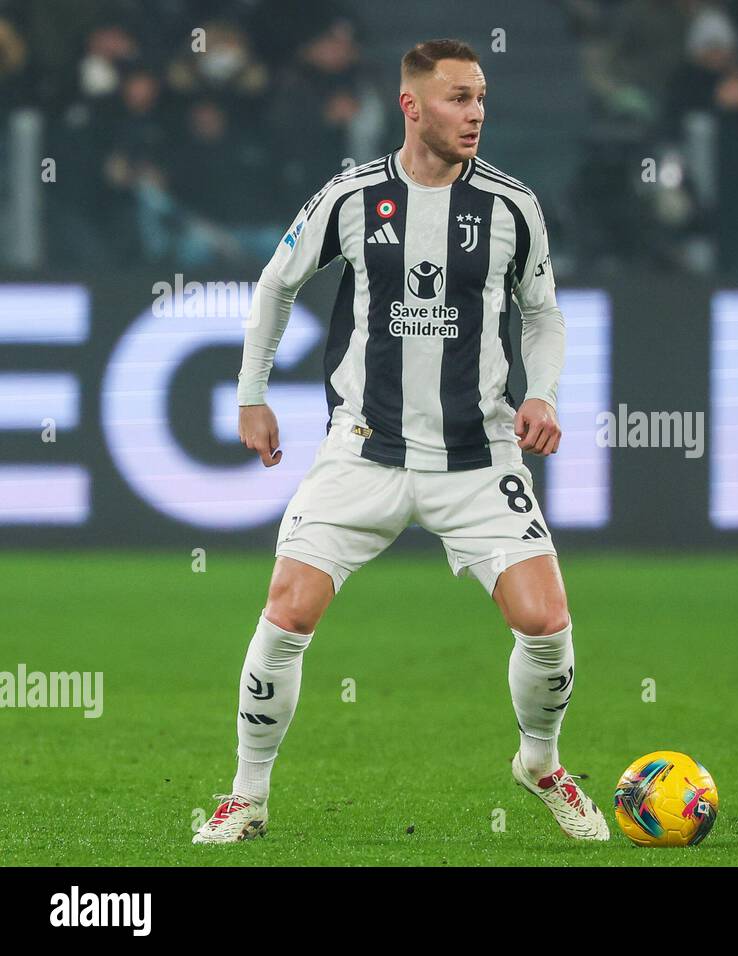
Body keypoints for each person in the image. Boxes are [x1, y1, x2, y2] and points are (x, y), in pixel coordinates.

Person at [193, 38, 608, 844]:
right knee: (286, 612)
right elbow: (277, 285)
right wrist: (252, 396)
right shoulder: (351, 197)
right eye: (458, 97)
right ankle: (247, 795)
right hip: (363, 449)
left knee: (547, 623)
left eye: (482, 96)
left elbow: (543, 312)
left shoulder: (512, 205)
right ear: (411, 106)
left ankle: (541, 761)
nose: (476, 113)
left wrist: (544, 391)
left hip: (479, 456)